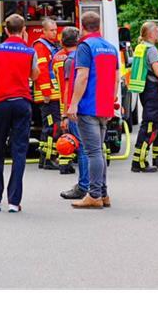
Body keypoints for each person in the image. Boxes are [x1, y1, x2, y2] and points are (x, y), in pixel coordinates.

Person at [0, 14, 40, 213]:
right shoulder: (30, 51)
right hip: (22, 103)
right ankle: (14, 202)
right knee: (19, 152)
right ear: (23, 30)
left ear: (6, 30)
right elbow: (35, 75)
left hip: (1, 103)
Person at [66, 11, 120, 209]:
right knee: (100, 151)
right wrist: (112, 99)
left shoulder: (85, 47)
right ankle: (103, 194)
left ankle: (94, 195)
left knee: (93, 152)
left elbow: (82, 77)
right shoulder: (110, 48)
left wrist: (73, 103)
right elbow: (116, 78)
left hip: (88, 106)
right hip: (105, 106)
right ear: (99, 26)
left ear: (82, 26)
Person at [129, 20, 158, 172]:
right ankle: (139, 162)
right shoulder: (151, 50)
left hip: (146, 90)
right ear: (150, 33)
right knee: (150, 126)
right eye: (156, 31)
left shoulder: (140, 47)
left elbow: (148, 71)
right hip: (152, 92)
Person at [55, 27, 93, 199]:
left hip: (75, 109)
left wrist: (64, 114)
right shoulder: (85, 55)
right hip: (90, 106)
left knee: (83, 149)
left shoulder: (69, 60)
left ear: (62, 42)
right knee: (93, 149)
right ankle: (94, 186)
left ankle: (83, 186)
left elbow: (68, 89)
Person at [32, 17, 62, 169]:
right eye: (52, 30)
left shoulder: (52, 45)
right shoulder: (41, 46)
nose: (55, 33)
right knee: (52, 127)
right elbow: (41, 70)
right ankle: (49, 159)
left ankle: (45, 158)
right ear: (43, 31)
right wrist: (46, 91)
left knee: (51, 126)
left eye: (56, 30)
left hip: (54, 94)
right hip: (47, 95)